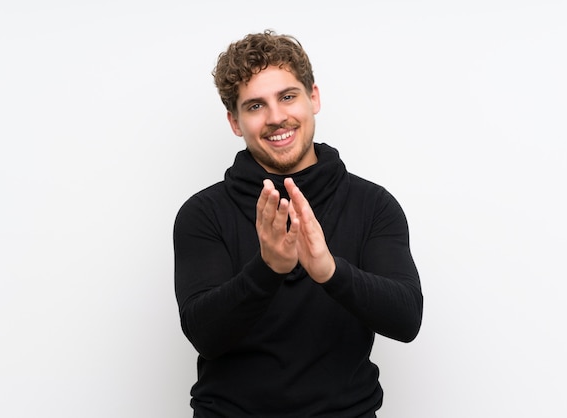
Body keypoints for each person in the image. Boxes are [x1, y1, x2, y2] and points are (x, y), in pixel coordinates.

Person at [173, 29, 423, 417]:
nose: (276, 118)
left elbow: (407, 319)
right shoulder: (203, 213)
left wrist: (329, 270)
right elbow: (204, 334)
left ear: (313, 98)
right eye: (255, 106)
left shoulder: (373, 204)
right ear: (235, 122)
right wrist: (268, 269)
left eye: (287, 97)